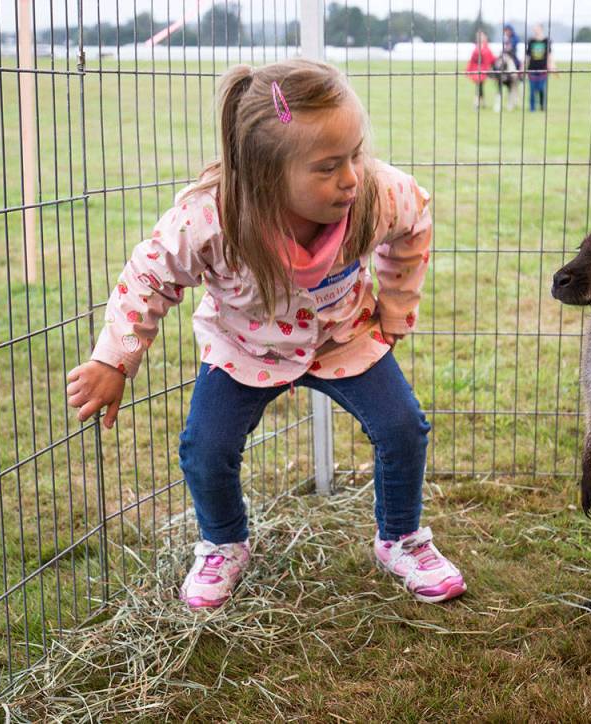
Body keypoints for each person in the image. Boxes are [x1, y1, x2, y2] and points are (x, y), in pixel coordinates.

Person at [65, 59, 467, 610]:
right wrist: (114, 360)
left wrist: (395, 309)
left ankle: (400, 538)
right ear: (264, 174)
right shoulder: (209, 219)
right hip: (242, 346)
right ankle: (224, 543)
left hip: (344, 336)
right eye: (328, 166)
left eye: (355, 154)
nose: (350, 176)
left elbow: (416, 218)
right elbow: (148, 276)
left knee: (403, 428)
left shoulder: (373, 194)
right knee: (205, 449)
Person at [525, 24, 555, 112]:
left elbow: (549, 54)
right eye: (534, 29)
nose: (535, 30)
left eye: (537, 28)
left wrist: (551, 65)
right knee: (532, 90)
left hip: (543, 69)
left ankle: (542, 106)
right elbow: (528, 56)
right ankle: (532, 108)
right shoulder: (531, 41)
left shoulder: (546, 41)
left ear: (541, 29)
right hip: (532, 69)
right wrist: (524, 67)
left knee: (542, 88)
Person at [465, 30, 496, 110]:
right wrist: (468, 70)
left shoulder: (486, 48)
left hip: (483, 70)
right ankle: (481, 103)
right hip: (476, 71)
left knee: (479, 86)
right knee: (479, 86)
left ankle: (477, 103)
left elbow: (491, 59)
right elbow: (472, 60)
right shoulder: (476, 48)